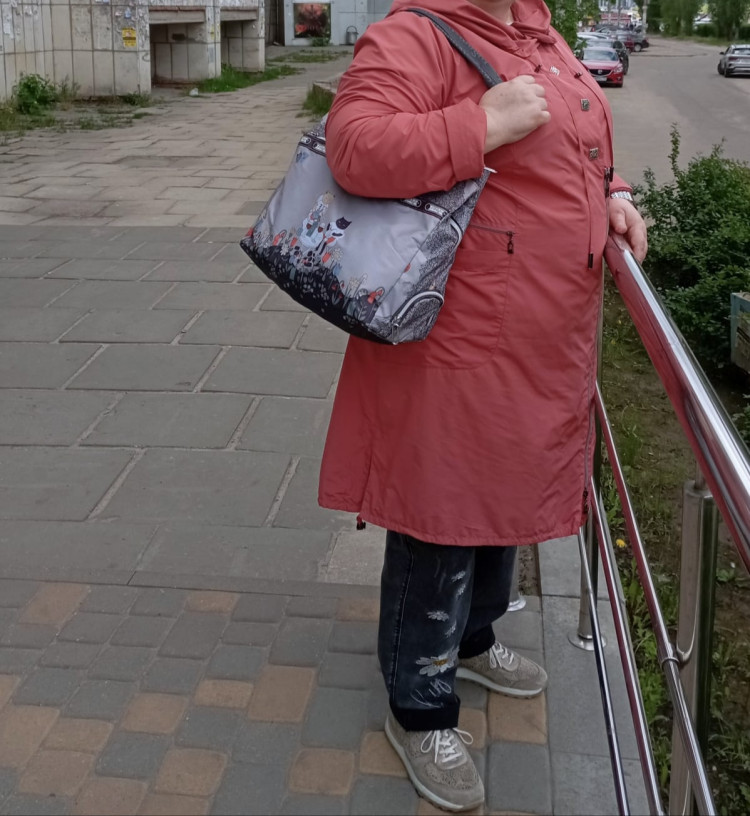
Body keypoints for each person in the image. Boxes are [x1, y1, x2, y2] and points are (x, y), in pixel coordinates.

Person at [317, 0, 648, 810]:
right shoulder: (416, 32)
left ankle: (470, 638)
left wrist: (612, 193)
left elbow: (574, 136)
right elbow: (354, 148)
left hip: (538, 336)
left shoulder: (535, 28)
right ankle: (419, 704)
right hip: (459, 342)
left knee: (502, 497)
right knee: (442, 512)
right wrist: (480, 124)